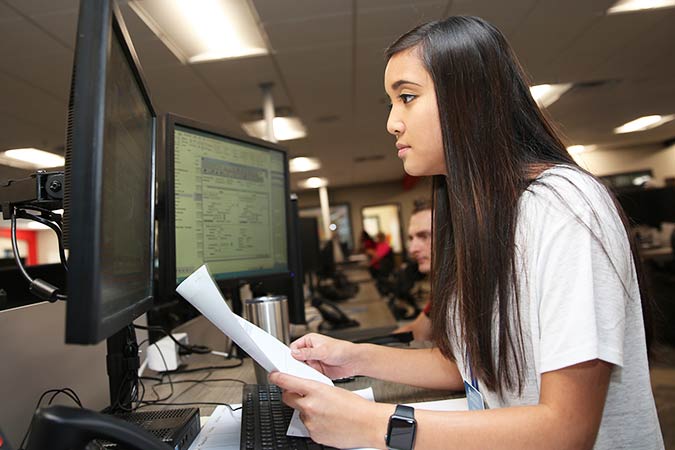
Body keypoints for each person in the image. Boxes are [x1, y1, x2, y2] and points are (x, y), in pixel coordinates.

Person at [269, 16, 664, 449]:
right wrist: (351, 357)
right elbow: (469, 366)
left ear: (469, 100)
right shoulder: (481, 218)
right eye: (391, 104)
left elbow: (567, 429)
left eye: (406, 98)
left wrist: (374, 423)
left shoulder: (563, 207)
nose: (392, 123)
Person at [394, 199, 433, 341]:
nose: (412, 249)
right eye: (411, 238)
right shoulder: (447, 291)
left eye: (424, 236)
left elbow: (457, 362)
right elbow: (418, 332)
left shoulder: (475, 290)